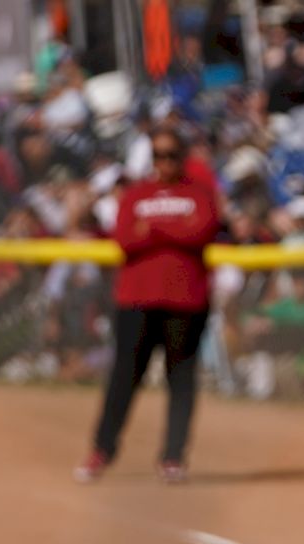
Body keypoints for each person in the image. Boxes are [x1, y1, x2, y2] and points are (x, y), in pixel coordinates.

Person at [75, 125, 220, 484]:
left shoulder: (199, 193)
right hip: (137, 299)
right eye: (158, 155)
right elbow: (125, 238)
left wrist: (152, 231)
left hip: (186, 301)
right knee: (123, 379)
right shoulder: (135, 195)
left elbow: (201, 231)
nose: (165, 162)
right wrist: (174, 230)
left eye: (171, 154)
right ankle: (101, 451)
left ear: (182, 157)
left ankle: (173, 456)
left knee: (181, 379)